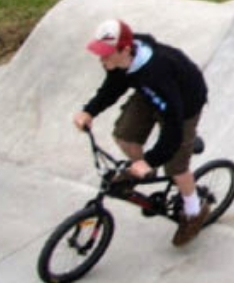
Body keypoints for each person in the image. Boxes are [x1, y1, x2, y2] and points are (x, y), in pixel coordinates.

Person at [73, 18, 211, 245]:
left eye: (106, 54)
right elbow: (112, 87)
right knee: (124, 135)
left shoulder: (158, 71)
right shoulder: (123, 60)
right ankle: (144, 171)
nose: (101, 59)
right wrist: (89, 111)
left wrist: (152, 158)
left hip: (183, 104)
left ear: (125, 50)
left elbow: (174, 125)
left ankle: (195, 210)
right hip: (150, 93)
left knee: (176, 166)